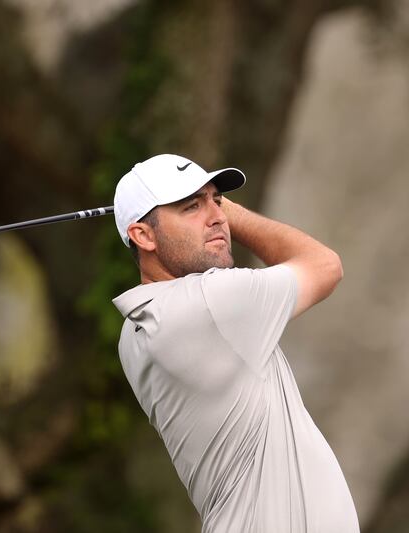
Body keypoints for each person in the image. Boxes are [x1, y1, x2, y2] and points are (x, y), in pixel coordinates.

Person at [112, 154, 360, 533]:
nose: (217, 217)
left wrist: (205, 207)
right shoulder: (211, 302)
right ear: (143, 236)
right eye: (191, 206)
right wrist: (233, 211)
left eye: (217, 201)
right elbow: (325, 265)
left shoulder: (135, 330)